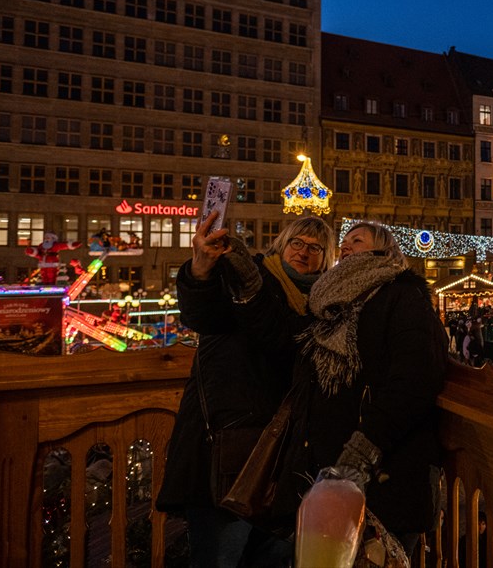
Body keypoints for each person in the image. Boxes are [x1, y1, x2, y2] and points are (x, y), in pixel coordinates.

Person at [157, 212, 334, 568]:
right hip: (226, 450)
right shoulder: (247, 276)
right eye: (296, 242)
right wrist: (201, 269)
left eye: (315, 248)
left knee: (272, 558)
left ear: (326, 258)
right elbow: (203, 315)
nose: (303, 252)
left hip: (281, 460)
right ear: (282, 245)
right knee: (220, 556)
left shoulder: (322, 305)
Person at [275, 221, 448, 556]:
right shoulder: (331, 305)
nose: (345, 246)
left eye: (357, 240)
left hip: (385, 473)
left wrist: (363, 449)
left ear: (383, 251)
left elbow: (414, 380)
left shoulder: (402, 296)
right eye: (344, 241)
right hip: (327, 472)